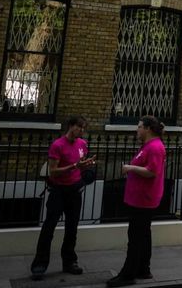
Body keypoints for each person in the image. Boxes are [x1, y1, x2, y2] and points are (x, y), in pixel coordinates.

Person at [30, 115, 96, 280]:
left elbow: (80, 166)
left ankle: (69, 262)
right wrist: (75, 166)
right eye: (79, 127)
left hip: (74, 190)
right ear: (71, 126)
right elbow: (53, 171)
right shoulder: (58, 145)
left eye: (83, 128)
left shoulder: (82, 144)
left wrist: (85, 167)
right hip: (59, 190)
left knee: (72, 228)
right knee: (49, 227)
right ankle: (40, 263)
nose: (81, 131)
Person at [107, 115, 166, 288]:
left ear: (148, 129)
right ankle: (143, 269)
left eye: (139, 126)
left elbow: (152, 172)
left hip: (143, 199)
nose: (137, 129)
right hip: (141, 198)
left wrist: (130, 167)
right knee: (144, 235)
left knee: (135, 237)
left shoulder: (154, 147)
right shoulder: (149, 146)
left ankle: (128, 274)